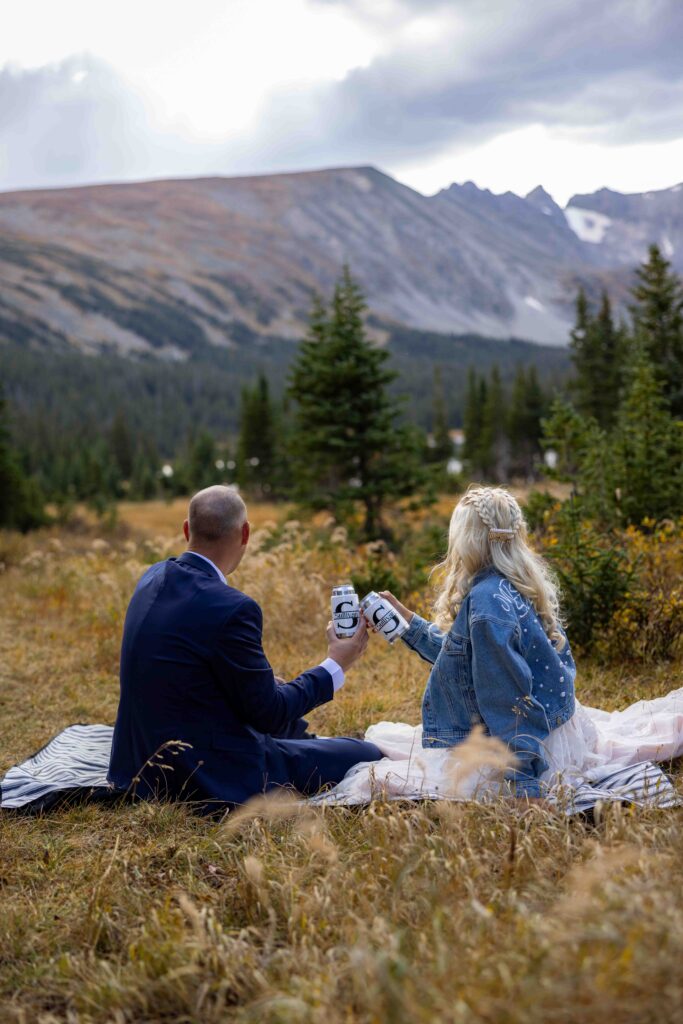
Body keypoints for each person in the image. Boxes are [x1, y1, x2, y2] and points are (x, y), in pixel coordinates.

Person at [315, 486, 683, 806]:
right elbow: (469, 662)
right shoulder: (513, 582)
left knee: (381, 773)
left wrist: (525, 786)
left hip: (521, 744)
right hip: (557, 726)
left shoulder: (486, 604)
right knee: (391, 741)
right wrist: (410, 625)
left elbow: (507, 699)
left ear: (465, 541)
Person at [107, 485, 382, 812]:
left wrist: (264, 687)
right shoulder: (233, 608)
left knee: (297, 728)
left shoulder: (152, 576)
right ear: (245, 533)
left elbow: (186, 670)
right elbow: (268, 713)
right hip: (203, 773)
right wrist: (336, 663)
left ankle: (306, 746)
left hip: (137, 764)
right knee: (367, 755)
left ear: (186, 529)